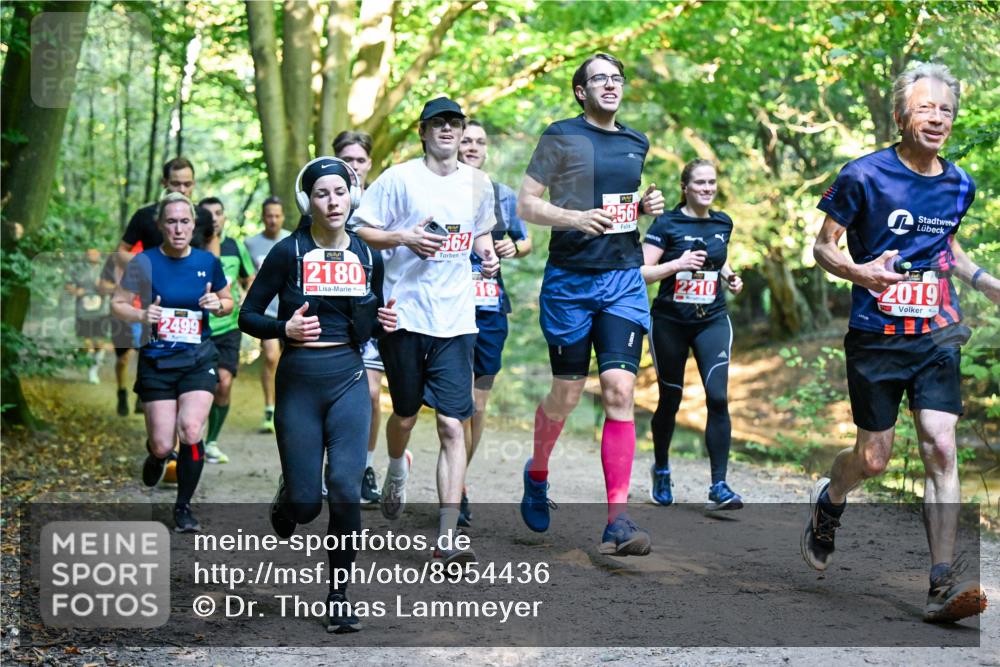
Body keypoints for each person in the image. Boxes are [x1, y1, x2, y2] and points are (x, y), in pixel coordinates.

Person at [807, 62, 995, 623]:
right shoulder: (863, 176)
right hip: (876, 337)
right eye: (926, 107)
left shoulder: (959, 182)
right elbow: (823, 248)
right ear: (900, 115)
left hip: (937, 332)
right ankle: (830, 500)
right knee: (873, 457)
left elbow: (949, 252)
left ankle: (941, 582)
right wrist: (863, 273)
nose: (938, 117)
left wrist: (987, 284)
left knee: (940, 444)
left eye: (946, 109)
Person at [239, 157, 397, 633]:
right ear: (308, 202)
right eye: (323, 194)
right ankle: (292, 493)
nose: (333, 201)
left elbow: (367, 327)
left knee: (346, 491)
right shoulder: (289, 252)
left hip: (348, 379)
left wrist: (384, 325)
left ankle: (339, 595)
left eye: (340, 191)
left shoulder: (369, 257)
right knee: (308, 505)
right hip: (299, 382)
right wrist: (283, 326)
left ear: (353, 196)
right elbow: (248, 316)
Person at [516, 53, 664, 556]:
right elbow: (527, 203)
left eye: (616, 78)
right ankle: (537, 473)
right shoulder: (561, 134)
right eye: (599, 78)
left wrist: (642, 207)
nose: (610, 85)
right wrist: (575, 219)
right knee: (566, 394)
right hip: (570, 283)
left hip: (622, 279)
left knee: (621, 391)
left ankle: (617, 520)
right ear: (581, 91)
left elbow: (620, 206)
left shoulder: (635, 141)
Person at [353, 96, 499, 564]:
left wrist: (489, 253)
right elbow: (360, 230)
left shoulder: (479, 184)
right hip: (405, 316)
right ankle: (397, 466)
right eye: (439, 123)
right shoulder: (399, 179)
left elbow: (480, 236)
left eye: (455, 123)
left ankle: (448, 535)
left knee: (454, 424)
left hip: (456, 320)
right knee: (405, 416)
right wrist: (404, 237)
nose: (448, 130)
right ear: (423, 130)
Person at [111, 192, 233, 533]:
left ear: (193, 225)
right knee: (164, 443)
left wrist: (216, 303)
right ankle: (156, 455)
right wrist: (140, 313)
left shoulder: (208, 262)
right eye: (171, 222)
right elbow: (117, 303)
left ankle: (183, 507)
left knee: (191, 430)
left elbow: (228, 302)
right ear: (160, 226)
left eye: (184, 221)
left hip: (197, 358)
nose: (178, 228)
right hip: (157, 359)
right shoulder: (143, 262)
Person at [641, 159, 744, 510]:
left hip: (712, 319)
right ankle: (662, 467)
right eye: (699, 183)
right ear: (685, 187)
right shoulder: (666, 224)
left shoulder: (722, 222)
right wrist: (676, 265)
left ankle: (719, 486)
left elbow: (718, 261)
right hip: (670, 322)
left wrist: (730, 276)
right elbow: (641, 272)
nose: (707, 188)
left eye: (712, 182)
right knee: (671, 398)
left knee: (717, 397)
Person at [457, 119, 532, 526]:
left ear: (487, 151)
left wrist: (512, 248)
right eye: (466, 139)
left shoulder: (502, 196)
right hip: (449, 309)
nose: (472, 146)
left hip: (490, 309)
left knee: (478, 402)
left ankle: (459, 478)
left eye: (479, 142)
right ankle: (457, 485)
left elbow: (527, 241)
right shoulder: (441, 191)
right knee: (457, 402)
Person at [334, 130, 381, 505]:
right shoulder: (317, 197)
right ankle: (315, 468)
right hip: (328, 314)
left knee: (370, 392)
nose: (353, 166)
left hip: (371, 310)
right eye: (346, 159)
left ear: (369, 163)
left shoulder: (382, 200)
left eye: (359, 160)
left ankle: (365, 466)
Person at [199, 197, 255, 464]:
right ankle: (191, 437)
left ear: (224, 218)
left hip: (229, 326)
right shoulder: (192, 246)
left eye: (219, 213)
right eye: (208, 214)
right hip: (198, 328)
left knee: (224, 383)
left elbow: (250, 278)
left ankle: (211, 441)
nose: (214, 218)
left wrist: (247, 298)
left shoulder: (235, 246)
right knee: (200, 385)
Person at [244, 197, 291, 433]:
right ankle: (269, 408)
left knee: (290, 362)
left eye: (276, 215)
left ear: (282, 217)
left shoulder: (293, 240)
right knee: (272, 356)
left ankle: (290, 408)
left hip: (292, 313)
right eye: (268, 216)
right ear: (263, 217)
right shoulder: (250, 244)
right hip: (267, 313)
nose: (272, 220)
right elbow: (245, 278)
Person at [116, 157, 215, 264]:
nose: (182, 190)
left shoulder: (204, 215)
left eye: (187, 184)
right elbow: (121, 250)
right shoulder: (144, 215)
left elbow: (212, 239)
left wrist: (213, 265)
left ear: (193, 184)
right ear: (164, 183)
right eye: (176, 184)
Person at [66, 248, 109, 384]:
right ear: (86, 254)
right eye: (89, 252)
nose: (92, 255)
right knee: (87, 343)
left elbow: (115, 286)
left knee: (100, 343)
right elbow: (68, 285)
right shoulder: (78, 268)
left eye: (95, 252)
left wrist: (104, 287)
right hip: (83, 310)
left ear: (99, 253)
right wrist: (76, 291)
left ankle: (93, 371)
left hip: (101, 310)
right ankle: (80, 356)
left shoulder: (106, 268)